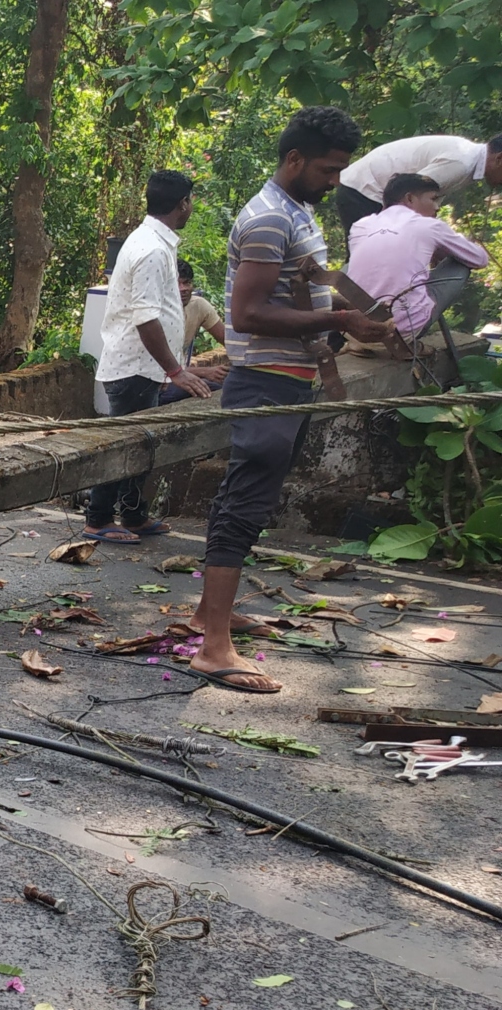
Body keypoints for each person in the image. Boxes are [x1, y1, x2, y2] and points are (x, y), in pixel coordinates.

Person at [191, 106, 400, 694]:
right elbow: (248, 312)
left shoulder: (296, 211)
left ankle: (211, 614)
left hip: (290, 378)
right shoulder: (265, 219)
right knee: (243, 504)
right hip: (263, 380)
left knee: (247, 502)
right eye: (329, 169)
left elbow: (308, 281)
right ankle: (212, 649)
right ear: (294, 159)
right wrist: (338, 317)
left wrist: (359, 317)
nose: (337, 182)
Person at [86, 171, 208, 544]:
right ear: (182, 203)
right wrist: (176, 370)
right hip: (135, 367)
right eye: (190, 202)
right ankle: (99, 517)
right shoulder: (152, 249)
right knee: (123, 446)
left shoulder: (154, 242)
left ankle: (135, 515)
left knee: (142, 446)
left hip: (143, 368)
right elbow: (145, 316)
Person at [344, 173, 491, 347]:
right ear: (410, 199)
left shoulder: (361, 225)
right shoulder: (430, 226)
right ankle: (404, 338)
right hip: (400, 332)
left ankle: (358, 345)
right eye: (433, 199)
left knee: (349, 266)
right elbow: (480, 259)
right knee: (462, 263)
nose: (437, 207)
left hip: (353, 331)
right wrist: (445, 249)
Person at [334, 134, 502, 237]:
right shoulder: (462, 163)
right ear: (499, 159)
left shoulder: (468, 159)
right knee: (365, 256)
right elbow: (408, 193)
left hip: (370, 190)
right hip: (365, 190)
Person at [157, 259, 230, 404]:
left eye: (187, 283)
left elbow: (229, 341)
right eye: (177, 284)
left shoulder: (198, 306)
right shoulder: (154, 315)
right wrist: (205, 372)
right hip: (158, 385)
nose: (183, 288)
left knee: (228, 388)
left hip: (180, 378)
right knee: (213, 393)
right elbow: (159, 371)